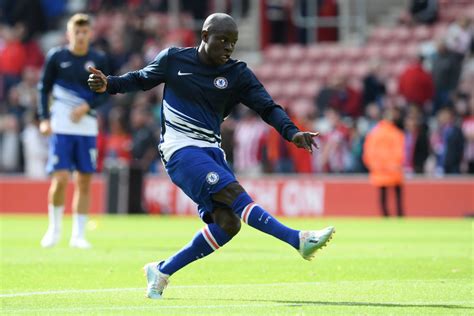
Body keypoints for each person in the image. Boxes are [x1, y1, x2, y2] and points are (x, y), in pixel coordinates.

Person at [88, 13, 335, 299]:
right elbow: (141, 79)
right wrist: (110, 84)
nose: (228, 47)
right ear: (204, 36)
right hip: (180, 150)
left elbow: (267, 107)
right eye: (222, 40)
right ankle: (298, 239)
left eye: (233, 42)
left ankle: (162, 271)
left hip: (212, 151)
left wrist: (292, 132)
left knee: (228, 224)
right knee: (232, 192)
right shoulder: (174, 60)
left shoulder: (237, 73)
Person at [38, 13, 108, 249]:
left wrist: (87, 106)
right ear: (69, 34)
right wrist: (44, 119)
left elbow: (107, 92)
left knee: (84, 180)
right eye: (76, 32)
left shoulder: (98, 59)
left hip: (87, 129)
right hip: (62, 127)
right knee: (60, 178)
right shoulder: (57, 57)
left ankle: (78, 235)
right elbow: (43, 88)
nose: (80, 36)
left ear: (90, 34)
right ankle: (54, 230)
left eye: (84, 31)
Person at [363, 107, 405, 217]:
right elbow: (400, 152)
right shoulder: (397, 134)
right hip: (394, 170)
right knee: (397, 196)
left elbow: (368, 152)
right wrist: (395, 165)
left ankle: (385, 217)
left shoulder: (374, 134)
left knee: (382, 195)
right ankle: (400, 216)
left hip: (379, 170)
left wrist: (374, 165)